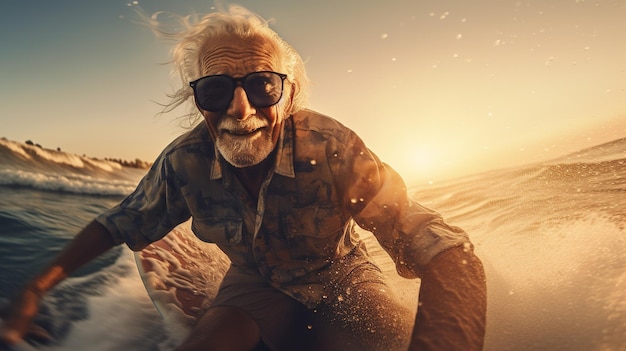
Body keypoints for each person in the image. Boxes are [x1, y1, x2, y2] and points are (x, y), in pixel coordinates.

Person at [0, 5, 486, 351]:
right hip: (254, 281)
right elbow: (118, 223)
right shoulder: (184, 163)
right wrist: (35, 289)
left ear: (288, 94)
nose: (240, 109)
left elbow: (441, 246)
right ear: (198, 100)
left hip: (343, 273)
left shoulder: (330, 145)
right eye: (216, 90)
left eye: (261, 85)